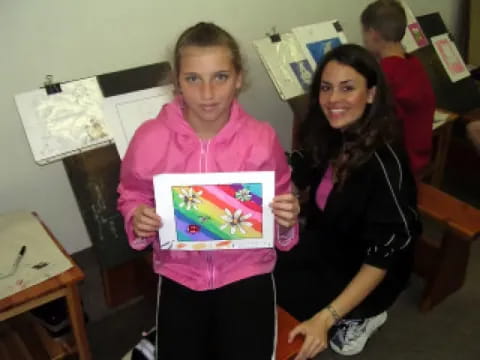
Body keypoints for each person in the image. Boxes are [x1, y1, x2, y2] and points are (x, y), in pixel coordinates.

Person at [117, 22, 300, 360]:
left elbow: (280, 201)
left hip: (248, 270)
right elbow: (131, 193)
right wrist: (137, 216)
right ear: (177, 82)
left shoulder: (262, 139)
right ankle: (158, 339)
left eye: (220, 77)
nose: (208, 93)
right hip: (180, 272)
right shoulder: (149, 138)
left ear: (239, 78)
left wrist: (287, 219)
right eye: (193, 79)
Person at [274, 44, 421, 359]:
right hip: (329, 239)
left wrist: (325, 319)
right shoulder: (330, 130)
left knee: (288, 310)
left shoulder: (385, 163)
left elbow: (383, 255)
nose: (333, 100)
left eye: (347, 88)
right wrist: (287, 190)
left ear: (370, 94)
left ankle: (366, 314)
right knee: (264, 275)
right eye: (326, 88)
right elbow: (304, 164)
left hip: (370, 266)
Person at [361, 0, 435, 176]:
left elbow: (370, 120)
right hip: (420, 154)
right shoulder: (413, 63)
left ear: (373, 34)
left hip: (400, 163)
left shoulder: (386, 74)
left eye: (364, 33)